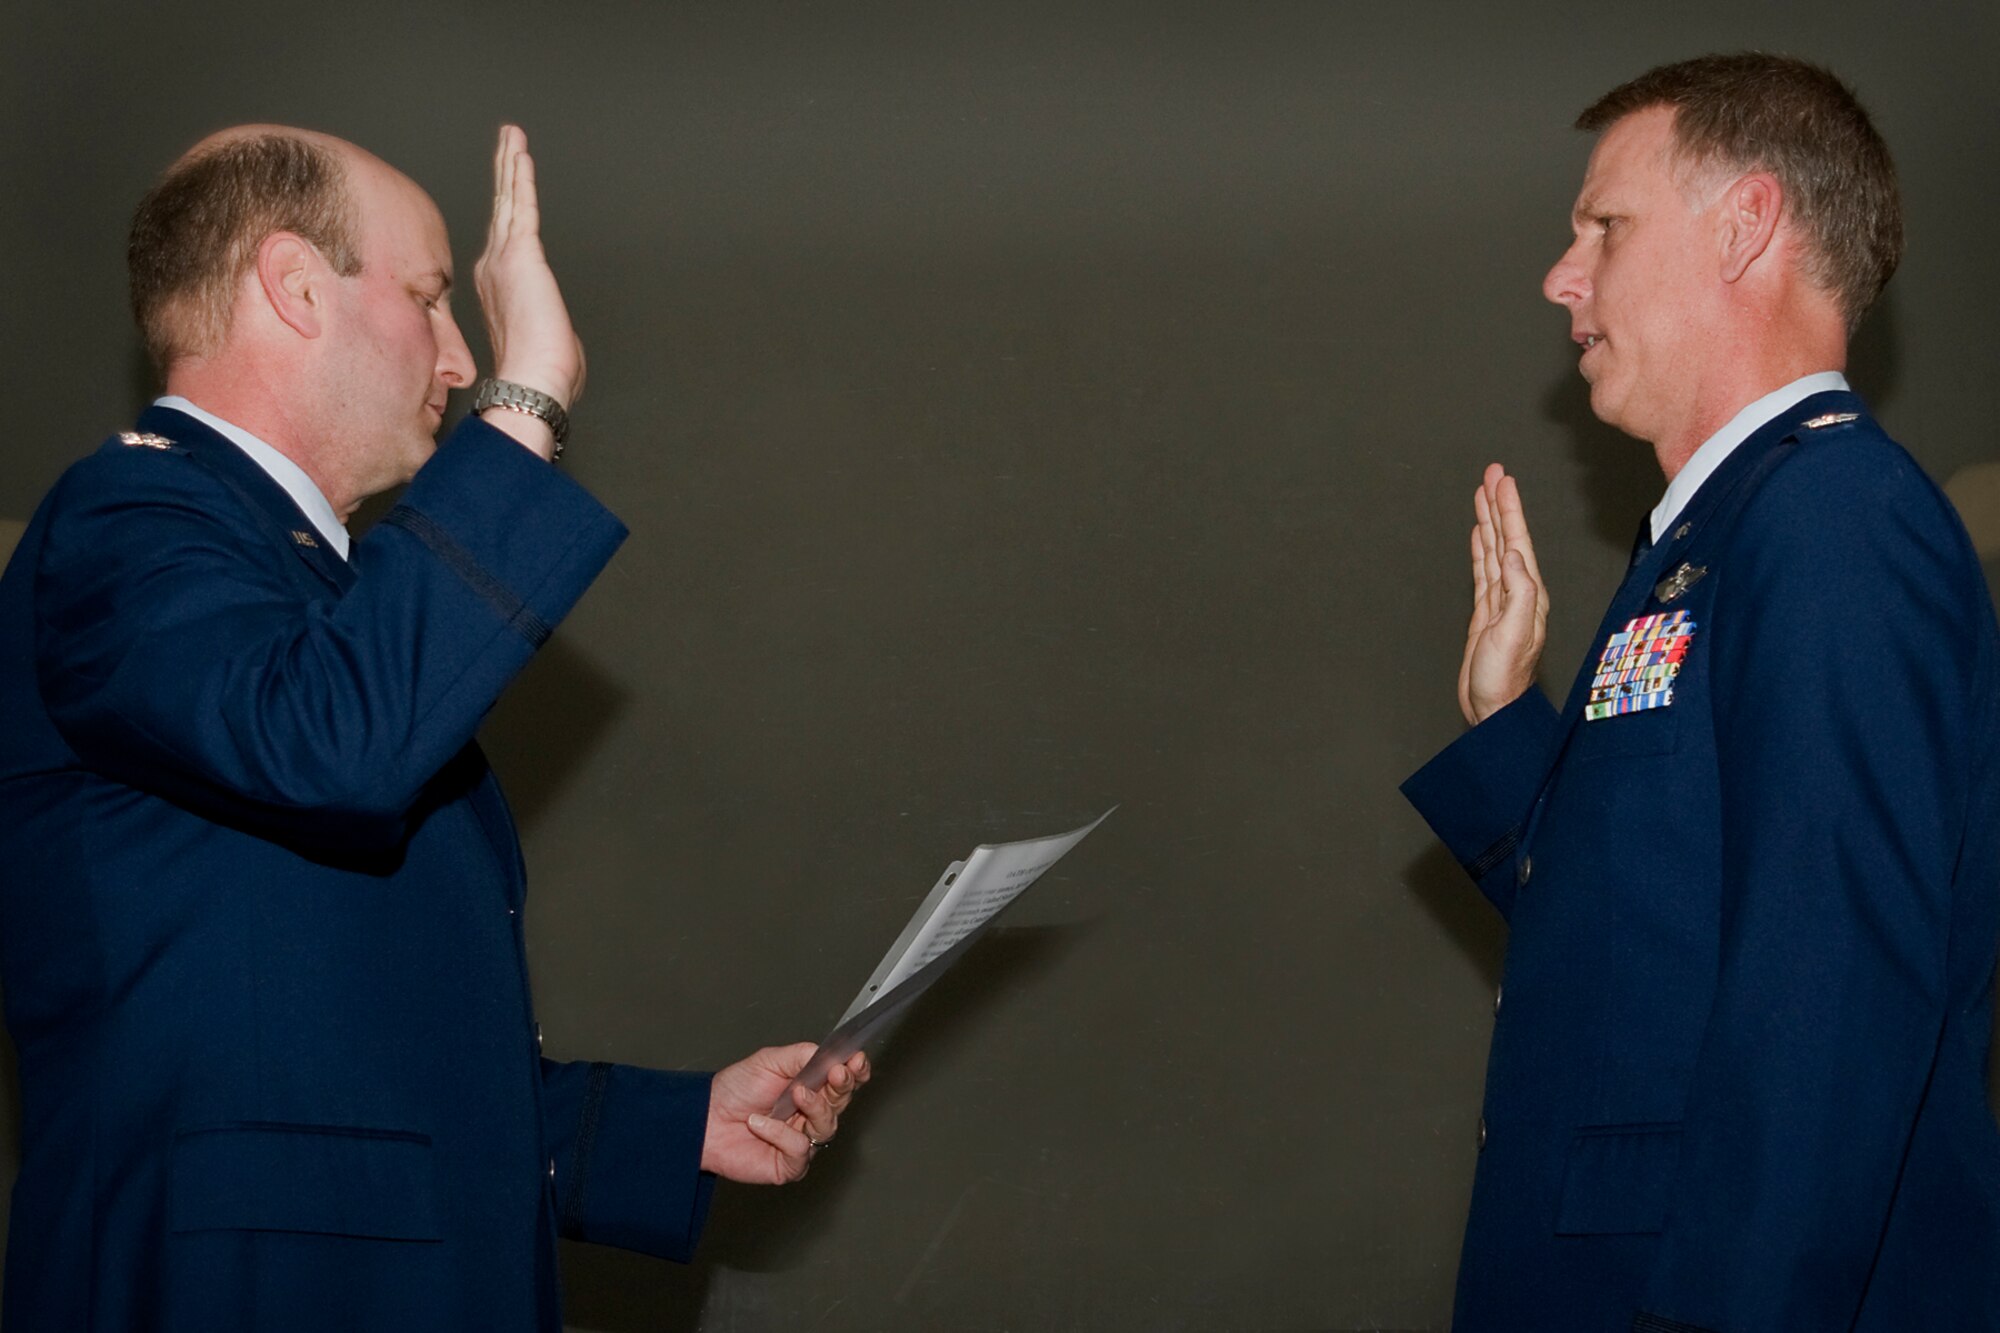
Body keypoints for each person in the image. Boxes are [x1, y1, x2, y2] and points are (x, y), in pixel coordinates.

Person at [0, 124, 868, 1331]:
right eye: (427, 297)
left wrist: (679, 1131)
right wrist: (531, 398)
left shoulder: (316, 599)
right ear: (296, 287)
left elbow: (356, 1046)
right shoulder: (127, 519)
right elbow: (335, 744)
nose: (459, 358)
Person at [1402, 54, 2000, 1332]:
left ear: (1745, 226)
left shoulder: (1834, 523)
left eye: (1601, 227)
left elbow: (1825, 1023)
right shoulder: (1717, 536)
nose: (1560, 277)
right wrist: (1508, 726)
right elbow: (1646, 941)